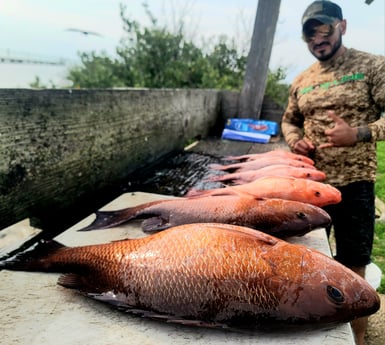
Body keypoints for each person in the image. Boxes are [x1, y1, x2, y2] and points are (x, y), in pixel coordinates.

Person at [281, 1, 385, 344]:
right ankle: (315, 332)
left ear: (342, 25)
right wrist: (296, 141)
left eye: (323, 30)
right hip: (308, 187)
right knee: (308, 261)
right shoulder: (303, 79)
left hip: (355, 184)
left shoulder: (372, 66)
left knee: (353, 263)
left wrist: (357, 134)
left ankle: (354, 338)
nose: (317, 39)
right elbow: (290, 120)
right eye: (309, 34)